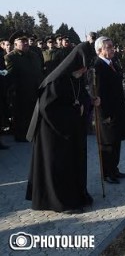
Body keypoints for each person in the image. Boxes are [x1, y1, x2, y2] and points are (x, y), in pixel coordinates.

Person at [25, 43, 98, 214]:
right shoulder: (55, 81)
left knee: (73, 164)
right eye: (82, 68)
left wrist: (90, 102)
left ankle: (77, 196)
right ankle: (61, 203)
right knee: (60, 166)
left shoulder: (76, 79)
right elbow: (48, 108)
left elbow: (81, 98)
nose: (84, 72)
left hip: (69, 131)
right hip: (52, 132)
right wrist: (74, 111)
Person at [94, 36, 125, 184]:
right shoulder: (97, 67)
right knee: (107, 144)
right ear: (99, 50)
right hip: (106, 113)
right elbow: (98, 93)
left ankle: (114, 169)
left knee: (116, 141)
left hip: (117, 110)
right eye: (108, 47)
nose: (112, 49)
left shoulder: (113, 63)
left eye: (112, 46)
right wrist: (104, 115)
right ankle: (106, 173)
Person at [5, 31, 44, 141]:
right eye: (22, 41)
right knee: (21, 115)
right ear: (15, 44)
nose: (26, 43)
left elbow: (39, 71)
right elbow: (9, 76)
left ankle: (34, 134)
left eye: (26, 41)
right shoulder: (10, 57)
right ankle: (21, 135)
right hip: (20, 92)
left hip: (35, 89)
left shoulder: (34, 55)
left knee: (34, 114)